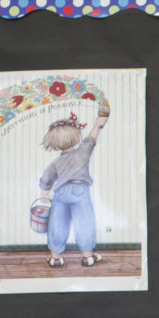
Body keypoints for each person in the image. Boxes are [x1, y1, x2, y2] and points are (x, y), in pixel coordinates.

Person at [38, 104, 108, 268]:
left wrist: (44, 193)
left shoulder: (56, 163)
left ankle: (56, 257)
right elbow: (91, 139)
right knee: (84, 222)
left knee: (57, 223)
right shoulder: (82, 152)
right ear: (75, 136)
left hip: (61, 193)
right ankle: (87, 256)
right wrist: (98, 124)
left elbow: (46, 178)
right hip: (80, 190)